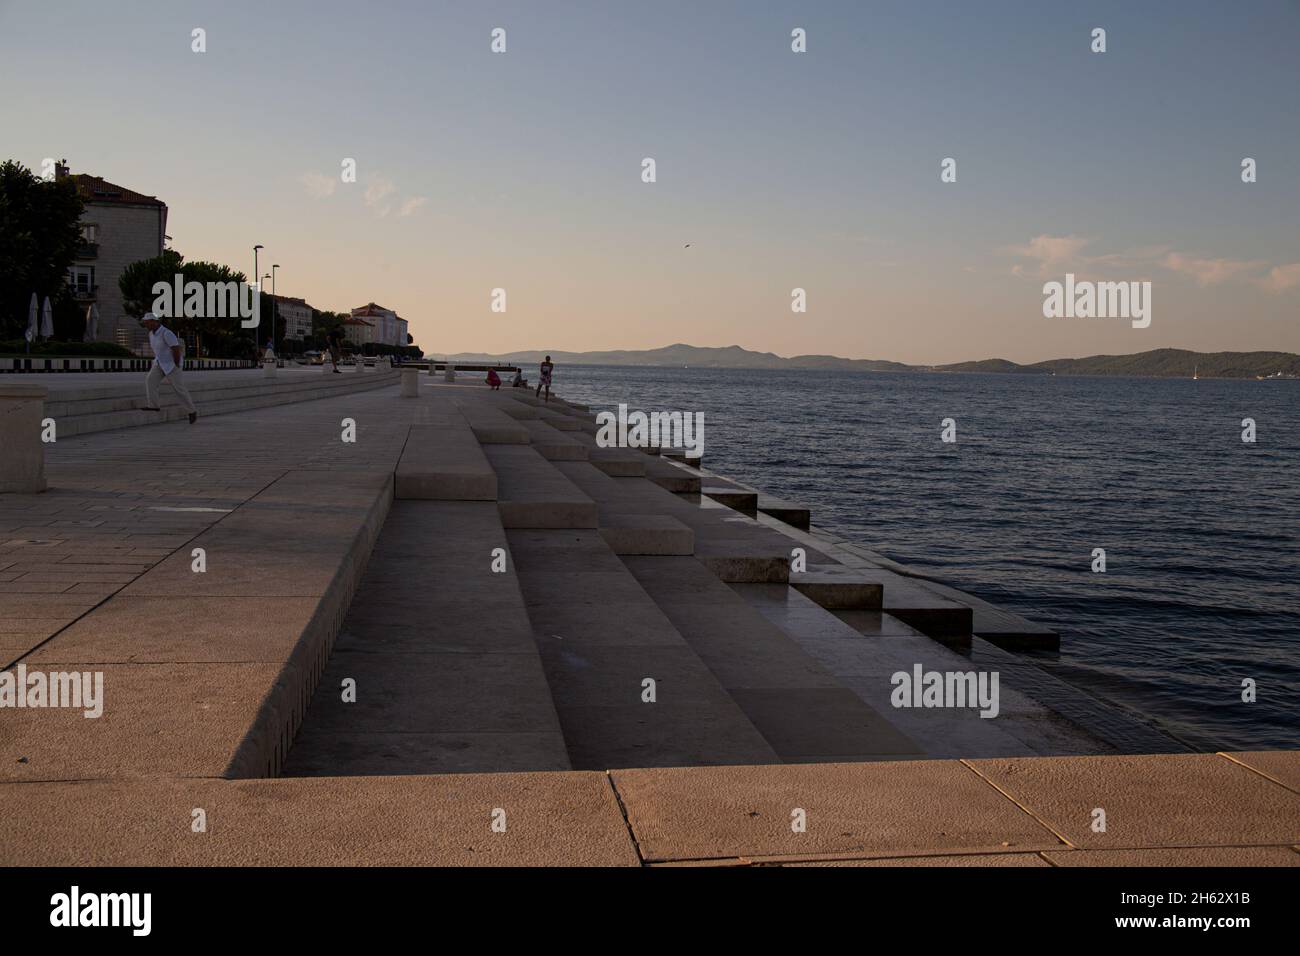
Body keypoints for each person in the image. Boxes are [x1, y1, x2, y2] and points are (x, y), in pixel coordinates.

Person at [139, 312, 197, 424]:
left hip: (172, 365)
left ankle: (192, 411)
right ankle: (154, 405)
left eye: (147, 322)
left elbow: (176, 349)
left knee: (179, 389)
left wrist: (176, 363)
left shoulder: (166, 333)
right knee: (150, 381)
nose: (146, 324)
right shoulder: (151, 334)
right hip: (159, 363)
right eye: (145, 322)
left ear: (154, 322)